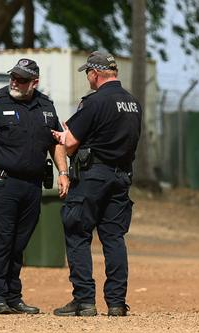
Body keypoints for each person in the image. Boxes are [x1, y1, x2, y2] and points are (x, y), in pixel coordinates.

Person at [0, 58, 69, 314]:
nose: (14, 81)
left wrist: (63, 172)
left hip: (32, 185)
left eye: (21, 79)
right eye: (13, 76)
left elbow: (55, 141)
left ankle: (14, 296)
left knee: (18, 243)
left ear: (34, 82)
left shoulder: (45, 106)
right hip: (1, 183)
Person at [52, 51, 141, 317]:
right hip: (121, 177)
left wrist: (62, 135)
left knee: (77, 232)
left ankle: (84, 301)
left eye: (88, 73)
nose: (88, 78)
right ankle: (116, 303)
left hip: (93, 176)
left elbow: (69, 142)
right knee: (114, 238)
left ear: (95, 73)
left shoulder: (94, 102)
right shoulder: (133, 103)